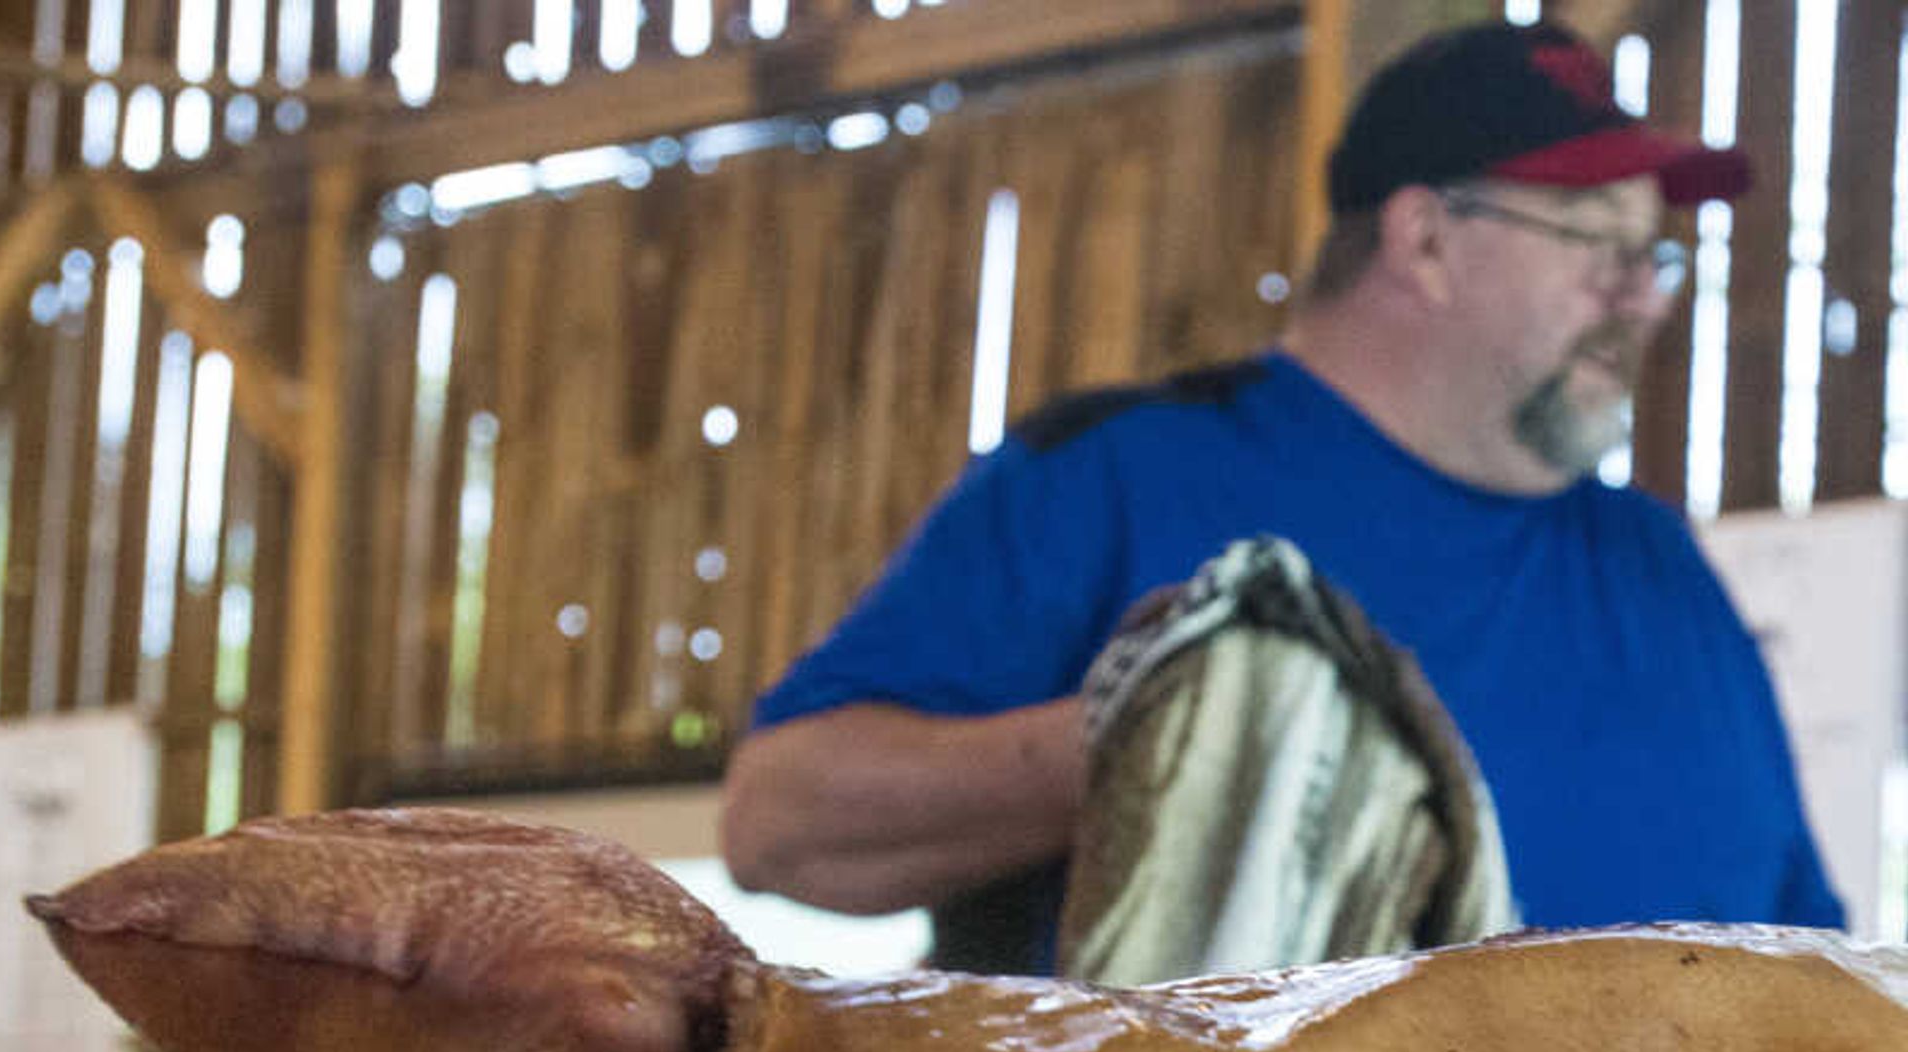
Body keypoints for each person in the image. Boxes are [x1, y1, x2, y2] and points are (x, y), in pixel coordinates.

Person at [721, 17, 1842, 969]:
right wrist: (1170, 732)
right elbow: (780, 819)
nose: (1642, 298)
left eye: (1656, 257)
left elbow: (1817, 962)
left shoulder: (1656, 564)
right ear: (1427, 239)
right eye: (1597, 243)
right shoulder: (1119, 471)